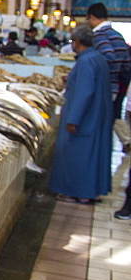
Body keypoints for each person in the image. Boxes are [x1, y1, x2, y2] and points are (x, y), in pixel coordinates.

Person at [49, 25, 112, 204]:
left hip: (85, 117)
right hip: (97, 115)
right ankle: (92, 191)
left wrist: (73, 119)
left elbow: (85, 91)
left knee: (77, 155)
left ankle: (77, 192)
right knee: (94, 155)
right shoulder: (97, 57)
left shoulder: (86, 61)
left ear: (77, 42)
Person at [86, 2, 131, 124]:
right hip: (117, 86)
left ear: (92, 17)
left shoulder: (100, 34)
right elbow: (127, 64)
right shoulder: (118, 36)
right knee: (111, 120)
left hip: (103, 86)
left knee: (97, 122)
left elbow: (108, 55)